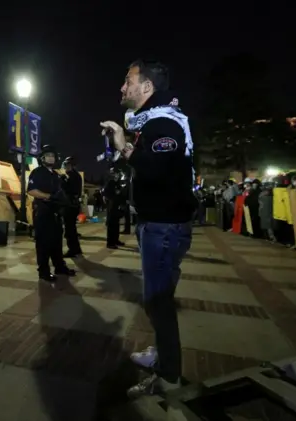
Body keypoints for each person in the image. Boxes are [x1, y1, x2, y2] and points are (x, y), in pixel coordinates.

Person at [100, 60, 196, 398]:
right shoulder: (156, 121)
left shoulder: (163, 124)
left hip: (164, 227)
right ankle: (163, 353)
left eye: (128, 81)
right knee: (161, 298)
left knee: (157, 303)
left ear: (147, 88)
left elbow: (155, 169)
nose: (122, 88)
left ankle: (168, 377)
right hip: (160, 225)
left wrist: (123, 144)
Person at [27, 145, 76, 283]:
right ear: (42, 158)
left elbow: (60, 193)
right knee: (43, 243)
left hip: (56, 213)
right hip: (42, 212)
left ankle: (59, 267)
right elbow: (31, 191)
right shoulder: (37, 172)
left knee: (57, 242)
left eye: (52, 156)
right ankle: (43, 271)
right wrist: (48, 196)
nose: (50, 158)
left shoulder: (56, 174)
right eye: (48, 155)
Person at [61, 156, 84, 257]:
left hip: (70, 205)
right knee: (71, 229)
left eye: (66, 165)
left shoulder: (71, 176)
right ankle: (76, 249)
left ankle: (73, 250)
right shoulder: (75, 175)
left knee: (70, 230)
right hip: (73, 205)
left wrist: (62, 181)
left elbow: (69, 190)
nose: (65, 167)